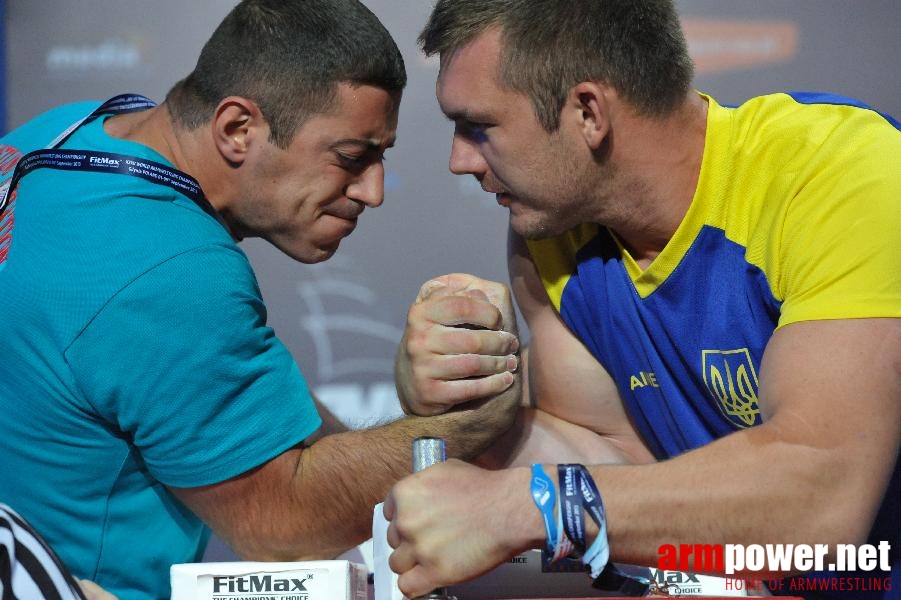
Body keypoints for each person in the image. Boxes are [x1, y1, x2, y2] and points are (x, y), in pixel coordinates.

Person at [0, 1, 520, 599]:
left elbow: (229, 406)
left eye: (381, 158)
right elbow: (283, 527)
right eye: (352, 158)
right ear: (236, 129)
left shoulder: (66, 133)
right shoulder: (170, 269)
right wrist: (476, 416)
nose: (373, 191)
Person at [384, 1, 901, 598]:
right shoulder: (552, 236)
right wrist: (459, 391)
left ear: (588, 112)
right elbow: (619, 462)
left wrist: (525, 506)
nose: (459, 160)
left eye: (480, 126)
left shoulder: (843, 174)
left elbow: (822, 498)